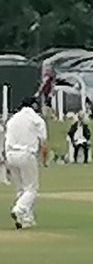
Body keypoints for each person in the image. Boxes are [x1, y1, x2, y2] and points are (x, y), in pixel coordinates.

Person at [5, 97, 48, 229]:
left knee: (21, 189)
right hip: (26, 154)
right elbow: (43, 142)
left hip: (10, 154)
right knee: (31, 189)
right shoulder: (36, 120)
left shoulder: (12, 119)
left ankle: (26, 219)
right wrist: (44, 159)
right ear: (34, 106)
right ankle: (19, 210)